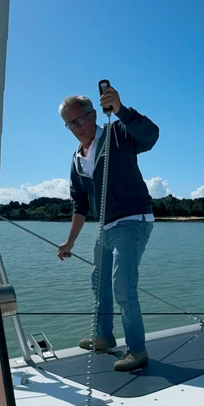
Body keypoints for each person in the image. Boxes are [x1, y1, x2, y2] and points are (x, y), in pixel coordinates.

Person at [57, 84, 159, 371]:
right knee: (98, 281)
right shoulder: (77, 159)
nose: (76, 127)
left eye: (79, 119)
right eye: (69, 124)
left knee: (123, 287)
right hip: (106, 227)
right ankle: (104, 337)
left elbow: (150, 135)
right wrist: (69, 242)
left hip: (133, 220)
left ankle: (137, 350)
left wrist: (122, 110)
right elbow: (80, 204)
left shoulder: (118, 132)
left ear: (93, 115)